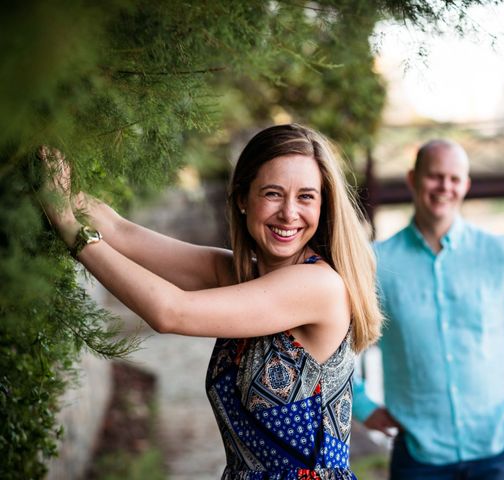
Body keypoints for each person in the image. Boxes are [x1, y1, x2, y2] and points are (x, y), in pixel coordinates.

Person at [39, 123, 383, 479]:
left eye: (306, 196)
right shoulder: (240, 275)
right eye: (273, 194)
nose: (289, 213)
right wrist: (57, 174)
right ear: (242, 200)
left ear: (324, 207)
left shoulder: (318, 286)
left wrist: (72, 233)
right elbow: (123, 232)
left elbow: (170, 312)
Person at [352, 139, 504, 480]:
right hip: (419, 456)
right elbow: (338, 341)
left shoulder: (497, 252)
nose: (445, 187)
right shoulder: (377, 263)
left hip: (497, 451)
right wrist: (361, 404)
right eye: (435, 176)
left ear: (466, 185)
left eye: (455, 179)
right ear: (413, 179)